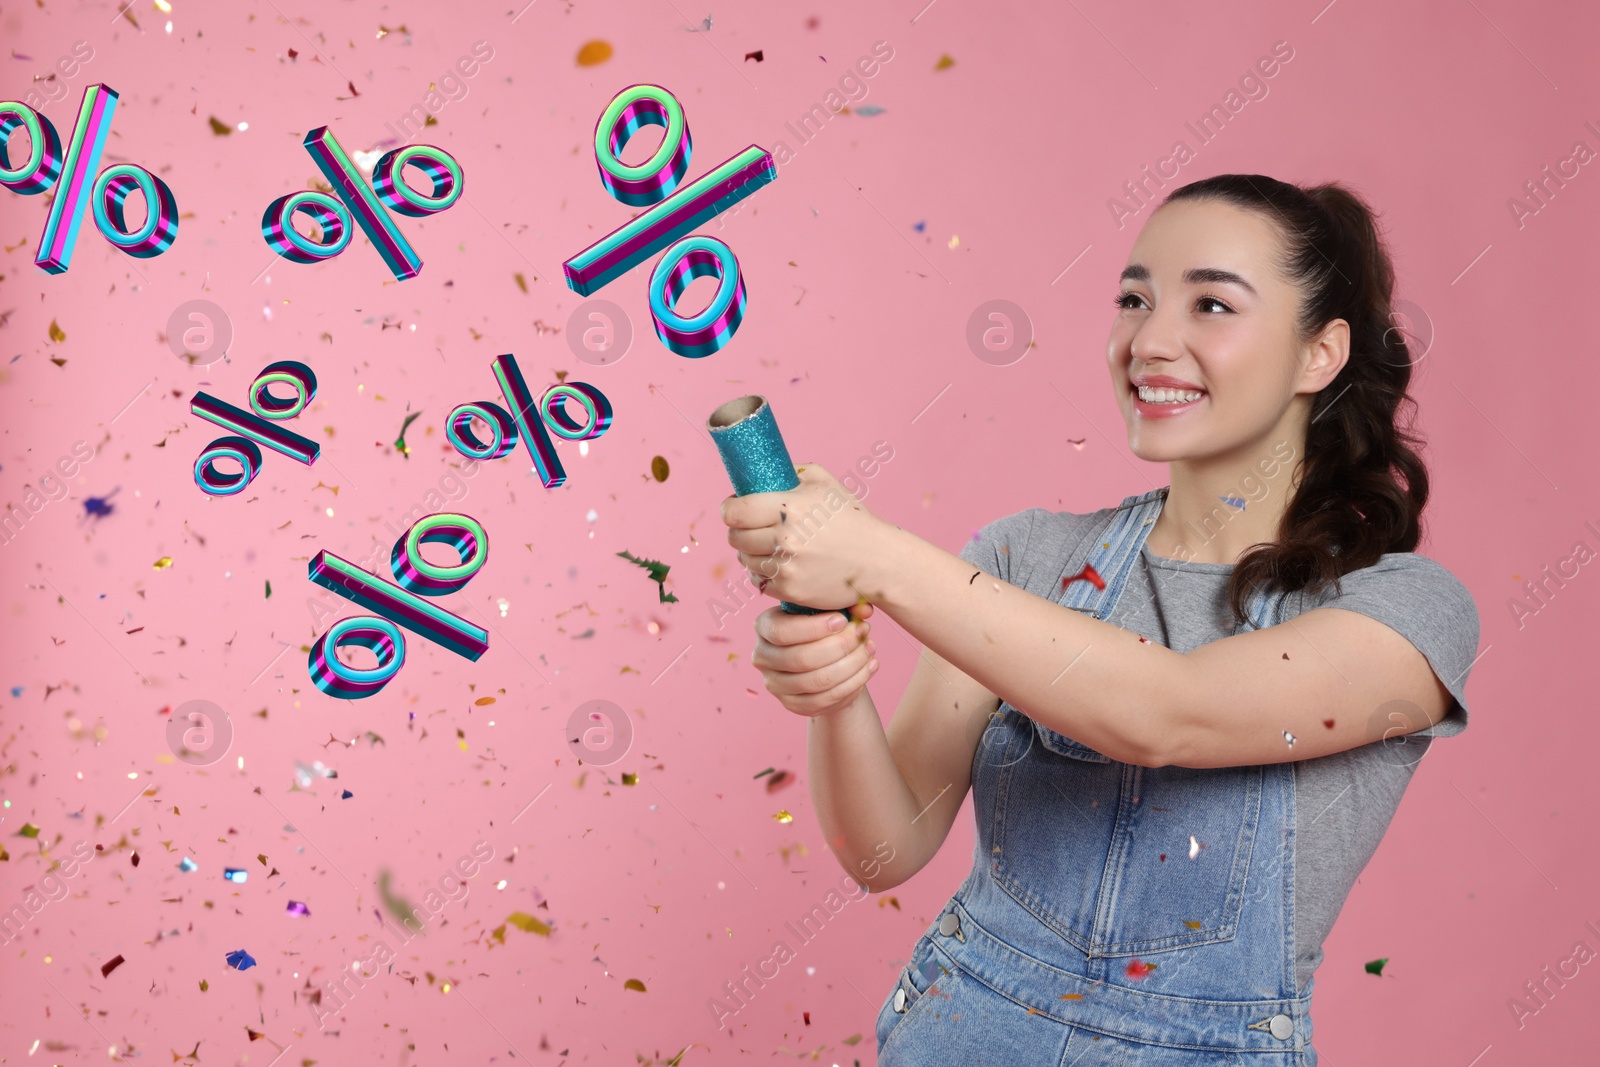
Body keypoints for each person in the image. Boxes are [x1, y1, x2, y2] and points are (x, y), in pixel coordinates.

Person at [718, 174, 1482, 1065]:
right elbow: (884, 850)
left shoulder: (1401, 611)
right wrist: (836, 690)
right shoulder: (1022, 559)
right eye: (1133, 298)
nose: (1150, 340)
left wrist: (877, 557)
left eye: (1211, 304)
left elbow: (1169, 713)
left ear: (1320, 353)